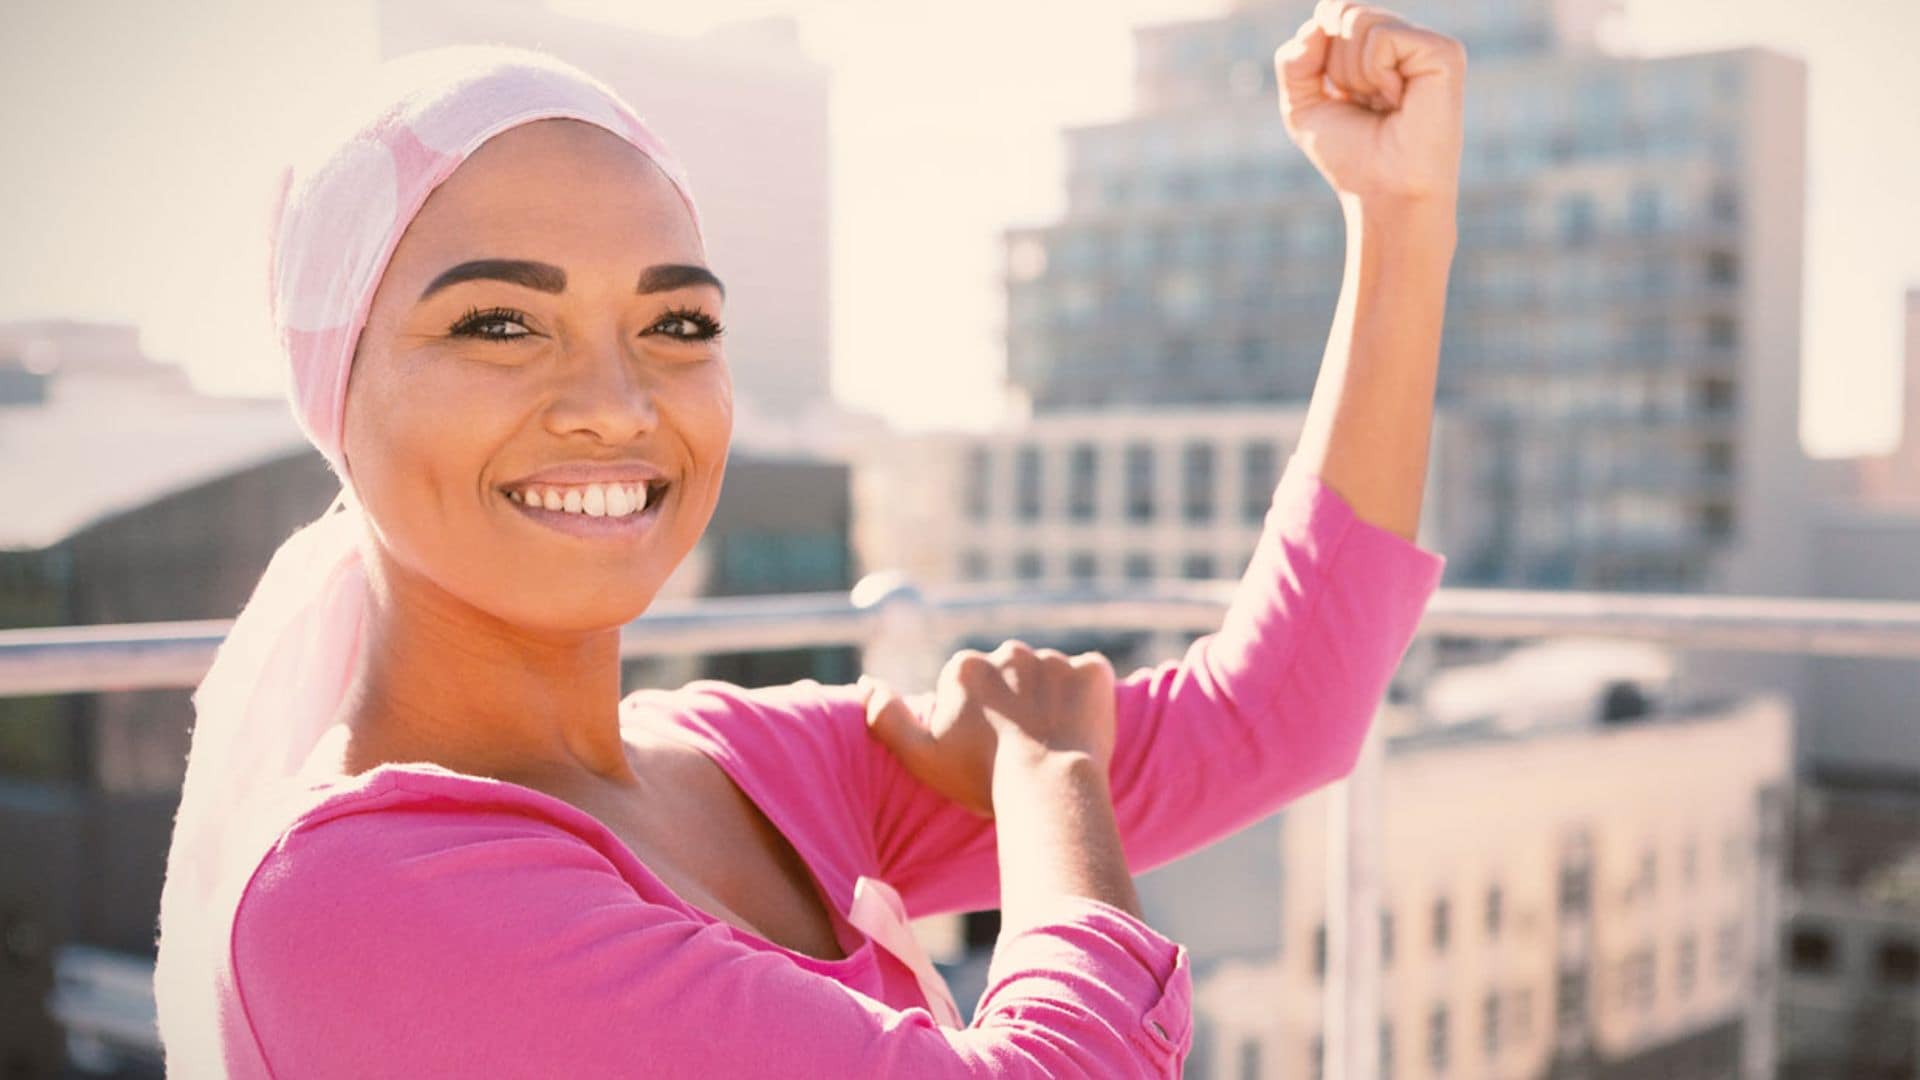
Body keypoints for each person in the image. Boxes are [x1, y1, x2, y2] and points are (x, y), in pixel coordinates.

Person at [152, 1, 1463, 1074]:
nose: (617, 405)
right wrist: (1052, 776)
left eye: (675, 326)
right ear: (335, 389)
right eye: (499, 323)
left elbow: (1277, 716)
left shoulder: (741, 763)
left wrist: (1398, 219)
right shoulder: (358, 898)